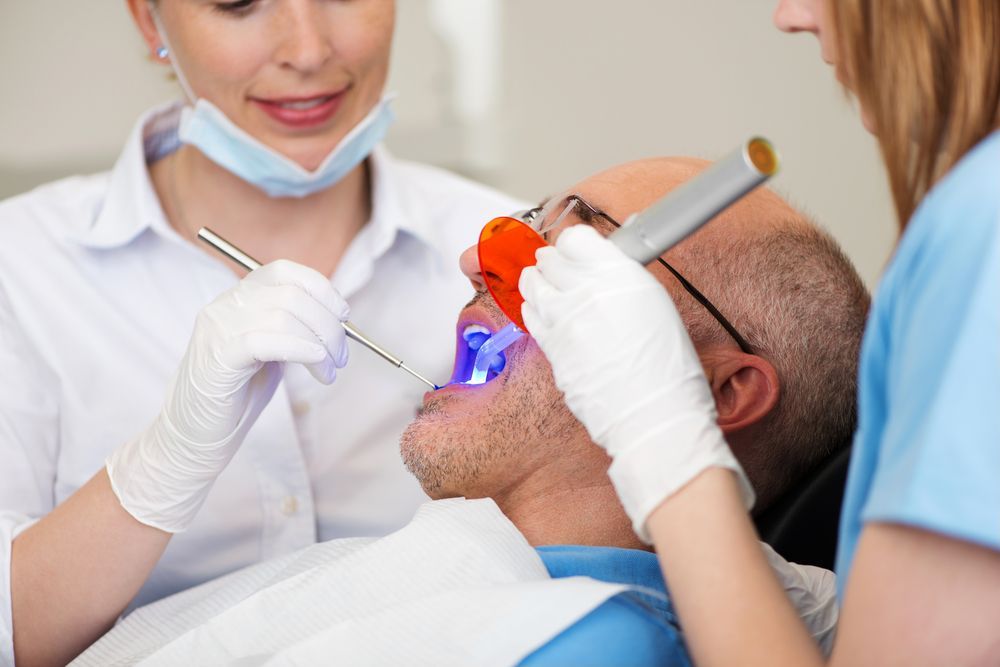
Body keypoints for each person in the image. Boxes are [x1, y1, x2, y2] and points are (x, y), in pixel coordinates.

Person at [76, 157, 866, 665]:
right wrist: (157, 467)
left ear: (723, 391)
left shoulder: (596, 643)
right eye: (528, 221)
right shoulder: (456, 581)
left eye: (580, 246)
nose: (476, 260)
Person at [0, 1, 522, 665]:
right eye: (239, 2)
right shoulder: (19, 269)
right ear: (148, 21)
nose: (306, 51)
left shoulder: (498, 250)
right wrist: (161, 468)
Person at [521, 1, 1000, 664]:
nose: (791, 14)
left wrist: (665, 445)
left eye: (581, 235)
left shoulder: (984, 229)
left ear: (730, 388)